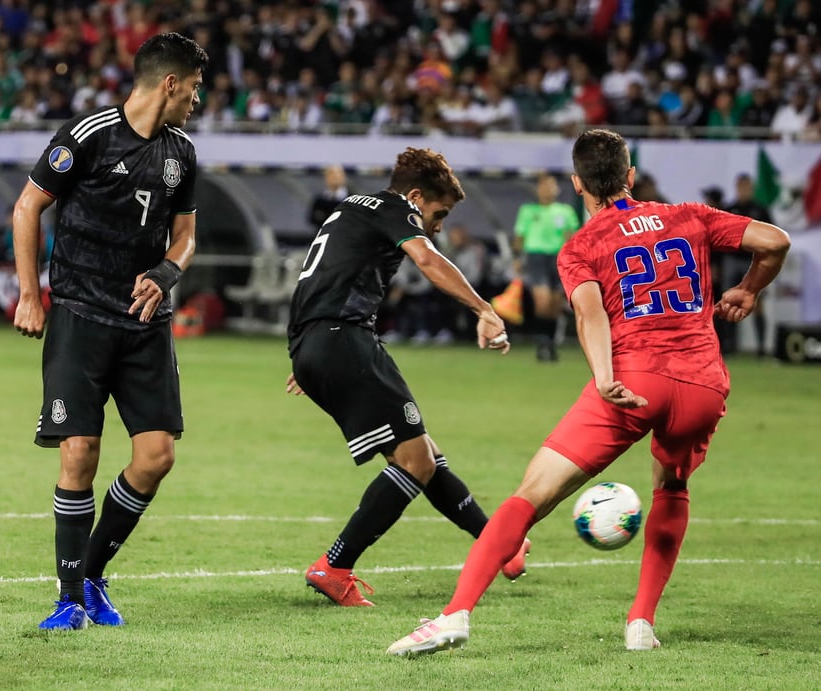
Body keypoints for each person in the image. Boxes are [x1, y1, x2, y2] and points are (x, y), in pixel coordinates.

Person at [387, 128, 790, 655]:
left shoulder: (583, 244)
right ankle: (641, 624)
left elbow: (590, 312)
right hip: (702, 384)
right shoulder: (689, 216)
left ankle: (454, 616)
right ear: (629, 176)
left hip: (634, 378)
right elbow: (775, 241)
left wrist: (604, 377)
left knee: (531, 495)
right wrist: (748, 289)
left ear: (577, 183)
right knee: (672, 486)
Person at [12, 32, 208, 631]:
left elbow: (186, 235)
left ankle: (91, 574)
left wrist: (168, 272)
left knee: (156, 457)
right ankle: (69, 598)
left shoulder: (182, 152)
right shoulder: (88, 135)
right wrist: (29, 295)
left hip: (146, 323)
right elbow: (27, 207)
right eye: (194, 90)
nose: (196, 102)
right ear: (168, 83)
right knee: (81, 454)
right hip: (79, 315)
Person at [286, 147, 527, 606]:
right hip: (342, 339)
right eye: (438, 213)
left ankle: (500, 545)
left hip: (318, 341)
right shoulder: (396, 210)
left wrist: (311, 359)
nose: (436, 225)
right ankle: (335, 565)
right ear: (415, 197)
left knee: (423, 454)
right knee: (417, 461)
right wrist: (484, 308)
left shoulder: (351, 206)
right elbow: (429, 262)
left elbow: (324, 275)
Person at [510, 171, 581, 361]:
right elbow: (519, 237)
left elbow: (570, 237)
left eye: (550, 185)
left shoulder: (565, 211)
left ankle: (550, 343)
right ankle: (542, 344)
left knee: (555, 305)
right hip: (536, 257)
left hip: (558, 258)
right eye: (543, 186)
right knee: (542, 301)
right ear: (538, 189)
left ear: (556, 189)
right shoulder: (528, 210)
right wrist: (517, 257)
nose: (547, 190)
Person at [723, 173, 773, 356]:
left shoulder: (760, 210)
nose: (743, 190)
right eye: (741, 186)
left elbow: (772, 237)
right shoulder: (730, 208)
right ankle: (729, 345)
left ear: (751, 188)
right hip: (732, 258)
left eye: (746, 186)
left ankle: (761, 347)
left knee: (757, 303)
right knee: (728, 302)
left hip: (752, 261)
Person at [307, 164, 349, 232]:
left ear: (343, 177)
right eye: (331, 175)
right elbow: (313, 219)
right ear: (326, 178)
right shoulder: (319, 200)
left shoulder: (351, 199)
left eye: (338, 175)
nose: (334, 178)